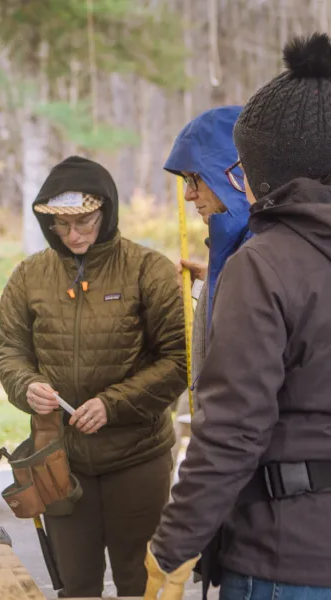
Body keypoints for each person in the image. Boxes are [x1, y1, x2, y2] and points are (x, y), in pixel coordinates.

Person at [146, 33, 331, 600]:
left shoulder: (267, 262)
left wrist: (171, 550)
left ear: (261, 168)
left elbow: (233, 430)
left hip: (285, 557)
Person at [0, 156, 187, 598]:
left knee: (140, 583)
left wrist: (112, 404)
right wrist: (26, 385)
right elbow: (10, 351)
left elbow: (178, 360)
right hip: (61, 461)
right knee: (76, 585)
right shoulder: (29, 275)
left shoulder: (147, 270)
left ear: (107, 210)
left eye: (84, 221)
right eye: (61, 226)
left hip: (137, 457)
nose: (74, 235)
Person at [164, 105, 251, 385]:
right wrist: (209, 283)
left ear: (232, 175)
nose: (189, 195)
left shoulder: (265, 252)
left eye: (196, 179)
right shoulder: (236, 247)